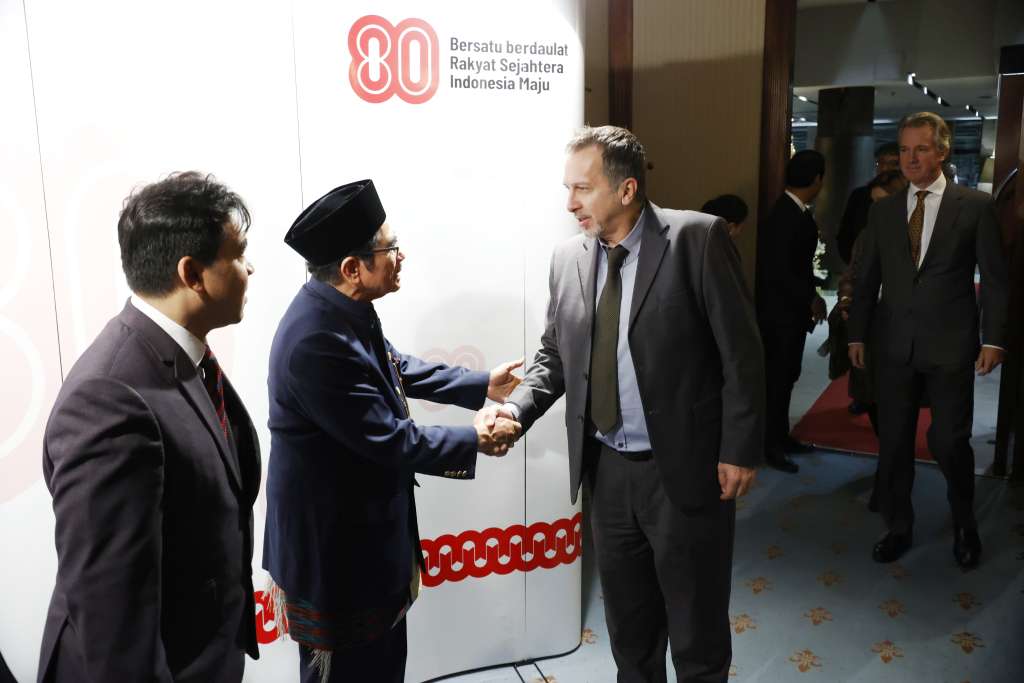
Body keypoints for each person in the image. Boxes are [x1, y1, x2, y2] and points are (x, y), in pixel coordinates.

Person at [486, 126, 764, 682]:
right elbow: (555, 355)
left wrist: (739, 448)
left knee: (697, 628)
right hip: (607, 471)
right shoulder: (567, 258)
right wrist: (515, 410)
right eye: (567, 189)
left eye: (582, 189)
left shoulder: (698, 239)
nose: (570, 204)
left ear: (627, 189)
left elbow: (742, 354)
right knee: (630, 628)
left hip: (684, 467)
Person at [263, 179, 522, 683]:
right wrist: (475, 438)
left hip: (364, 538)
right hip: (335, 553)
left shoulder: (340, 308)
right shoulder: (314, 340)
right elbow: (390, 438)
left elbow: (395, 367)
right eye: (390, 248)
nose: (401, 257)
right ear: (351, 268)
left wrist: (480, 384)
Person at [38, 172, 261, 682]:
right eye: (239, 254)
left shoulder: (179, 357)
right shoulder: (109, 398)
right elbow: (114, 622)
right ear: (192, 273)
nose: (250, 268)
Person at [848, 112, 1008, 568]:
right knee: (895, 443)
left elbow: (994, 279)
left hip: (951, 345)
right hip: (893, 345)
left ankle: (964, 524)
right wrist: (857, 333)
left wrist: (994, 339)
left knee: (950, 442)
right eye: (904, 149)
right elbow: (867, 279)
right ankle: (899, 526)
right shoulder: (882, 210)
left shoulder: (974, 205)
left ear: (942, 151)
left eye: (920, 148)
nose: (910, 158)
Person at [755, 149, 827, 473]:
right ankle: (771, 445)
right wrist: (811, 297)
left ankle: (781, 438)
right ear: (817, 179)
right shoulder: (786, 214)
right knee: (777, 380)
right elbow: (781, 270)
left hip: (787, 312)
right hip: (779, 315)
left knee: (786, 377)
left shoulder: (791, 210)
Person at [836, 142, 900, 264]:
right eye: (881, 163)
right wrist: (855, 264)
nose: (885, 168)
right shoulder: (860, 196)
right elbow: (845, 234)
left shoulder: (911, 197)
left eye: (893, 164)